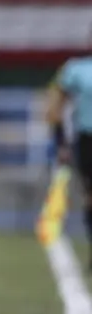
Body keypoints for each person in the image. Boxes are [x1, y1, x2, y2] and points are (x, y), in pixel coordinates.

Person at [47, 47, 92, 270]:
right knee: (89, 195)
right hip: (87, 138)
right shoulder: (78, 69)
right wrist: (61, 141)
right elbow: (58, 104)